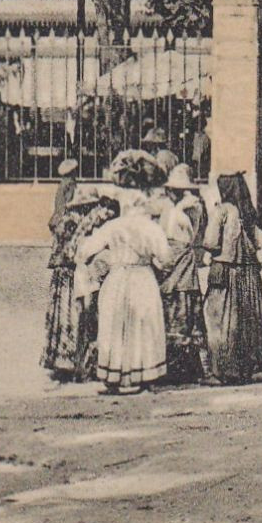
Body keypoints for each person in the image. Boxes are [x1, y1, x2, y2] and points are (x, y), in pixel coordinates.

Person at [80, 151, 171, 394]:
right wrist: (154, 262)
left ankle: (115, 376)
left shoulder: (113, 226)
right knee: (142, 324)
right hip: (142, 277)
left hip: (117, 277)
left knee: (115, 324)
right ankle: (140, 375)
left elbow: (85, 250)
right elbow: (166, 257)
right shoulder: (151, 228)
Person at [203, 172, 262, 384]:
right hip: (250, 275)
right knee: (246, 321)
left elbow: (211, 241)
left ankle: (222, 371)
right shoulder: (249, 213)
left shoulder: (222, 211)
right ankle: (245, 370)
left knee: (221, 321)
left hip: (227, 272)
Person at [43, 189, 116, 381]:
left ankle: (61, 361)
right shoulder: (82, 222)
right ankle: (76, 363)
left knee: (62, 317)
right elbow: (76, 252)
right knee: (76, 316)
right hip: (71, 273)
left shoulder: (65, 219)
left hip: (60, 274)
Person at [158, 164, 208, 384]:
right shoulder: (174, 208)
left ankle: (186, 366)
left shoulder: (191, 208)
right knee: (174, 305)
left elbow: (191, 233)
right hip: (172, 256)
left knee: (182, 305)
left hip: (181, 257)